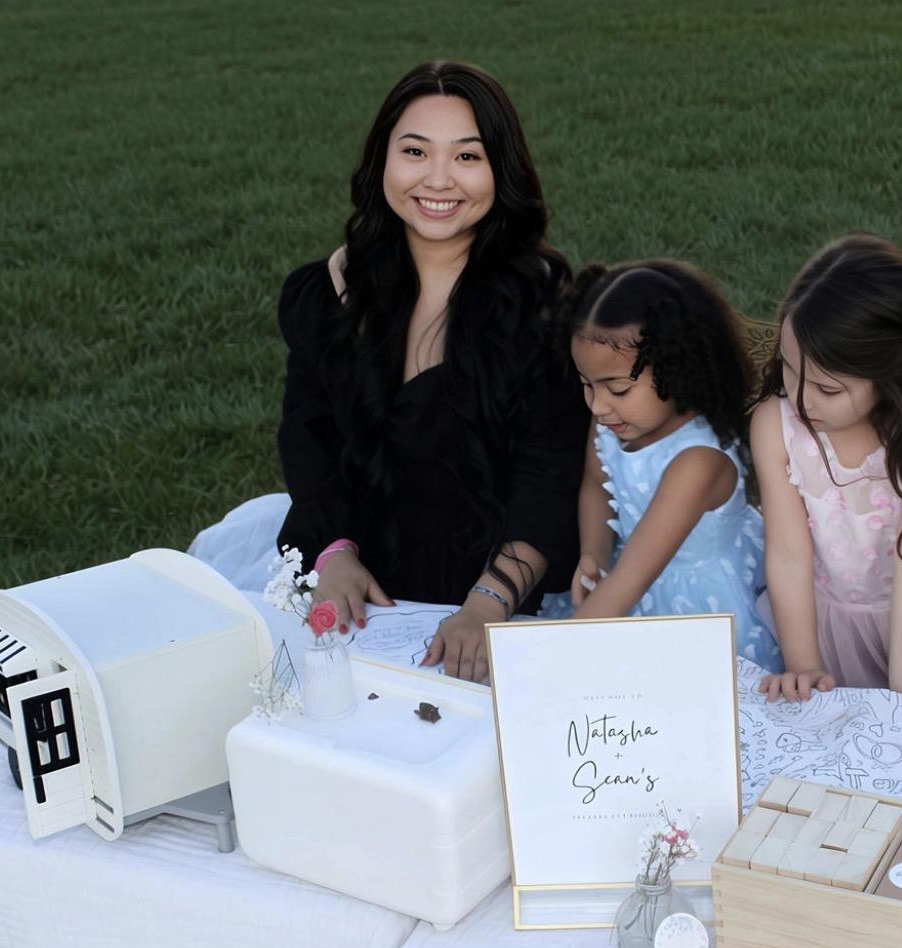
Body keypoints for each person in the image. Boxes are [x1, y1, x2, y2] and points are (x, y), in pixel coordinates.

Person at [275, 61, 587, 683]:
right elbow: (309, 439)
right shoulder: (327, 294)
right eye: (415, 151)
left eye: (468, 156)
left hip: (496, 581)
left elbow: (548, 480)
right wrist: (334, 554)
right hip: (362, 572)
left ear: (502, 170)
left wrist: (488, 602)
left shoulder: (546, 313)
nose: (438, 179)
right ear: (381, 159)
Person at [751, 235, 902, 701]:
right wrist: (803, 665)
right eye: (789, 368)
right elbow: (788, 554)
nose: (801, 400)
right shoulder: (776, 426)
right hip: (810, 618)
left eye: (827, 389)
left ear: (891, 377)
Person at [545, 261, 782, 672]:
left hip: (697, 605)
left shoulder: (698, 462)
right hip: (629, 579)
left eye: (618, 389)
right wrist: (594, 553)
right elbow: (596, 484)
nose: (598, 405)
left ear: (678, 368)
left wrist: (545, 661)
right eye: (587, 384)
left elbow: (633, 576)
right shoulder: (613, 419)